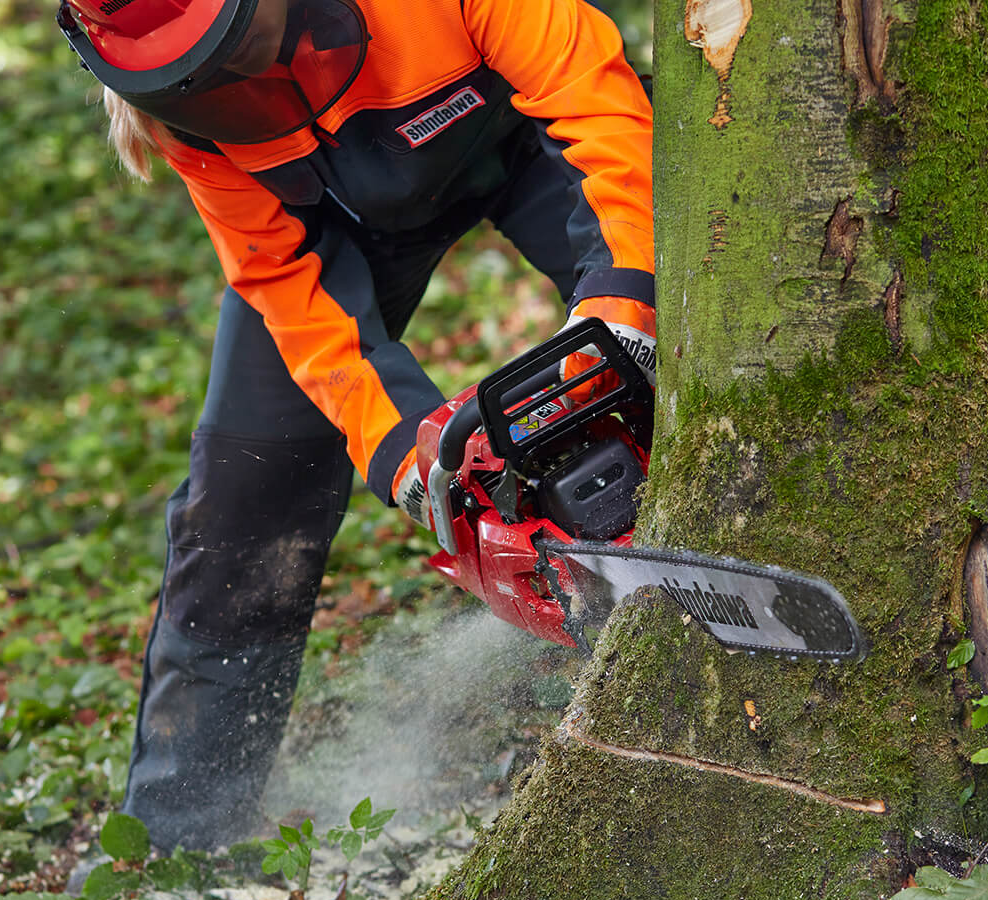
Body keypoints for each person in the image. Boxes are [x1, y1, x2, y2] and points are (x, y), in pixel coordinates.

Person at [56, 0, 655, 853]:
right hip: (325, 226)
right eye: (216, 85)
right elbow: (285, 281)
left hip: (522, 131)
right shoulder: (181, 106)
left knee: (688, 324)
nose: (244, 86)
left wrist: (624, 305)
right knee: (241, 510)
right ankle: (177, 845)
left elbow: (598, 107)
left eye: (245, 53)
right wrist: (409, 453)